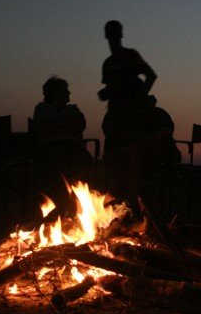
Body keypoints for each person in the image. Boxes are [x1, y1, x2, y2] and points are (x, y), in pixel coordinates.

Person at [102, 84, 180, 215]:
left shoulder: (158, 115)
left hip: (155, 158)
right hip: (126, 159)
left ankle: (134, 207)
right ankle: (123, 206)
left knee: (131, 158)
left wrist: (131, 148)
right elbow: (109, 132)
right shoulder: (123, 117)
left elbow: (165, 134)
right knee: (127, 159)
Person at [32, 76, 92, 216]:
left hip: (73, 152)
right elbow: (40, 127)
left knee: (70, 159)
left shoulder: (73, 109)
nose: (69, 93)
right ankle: (65, 204)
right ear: (55, 93)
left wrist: (55, 124)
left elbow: (80, 124)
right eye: (65, 90)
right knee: (58, 159)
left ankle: (65, 204)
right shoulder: (41, 109)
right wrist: (65, 125)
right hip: (50, 153)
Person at [98, 20, 157, 103]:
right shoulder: (108, 63)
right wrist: (104, 93)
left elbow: (151, 75)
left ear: (120, 35)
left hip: (134, 104)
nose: (113, 38)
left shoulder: (131, 55)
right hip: (116, 106)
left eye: (115, 34)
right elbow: (110, 86)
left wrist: (141, 95)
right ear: (107, 36)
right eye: (111, 35)